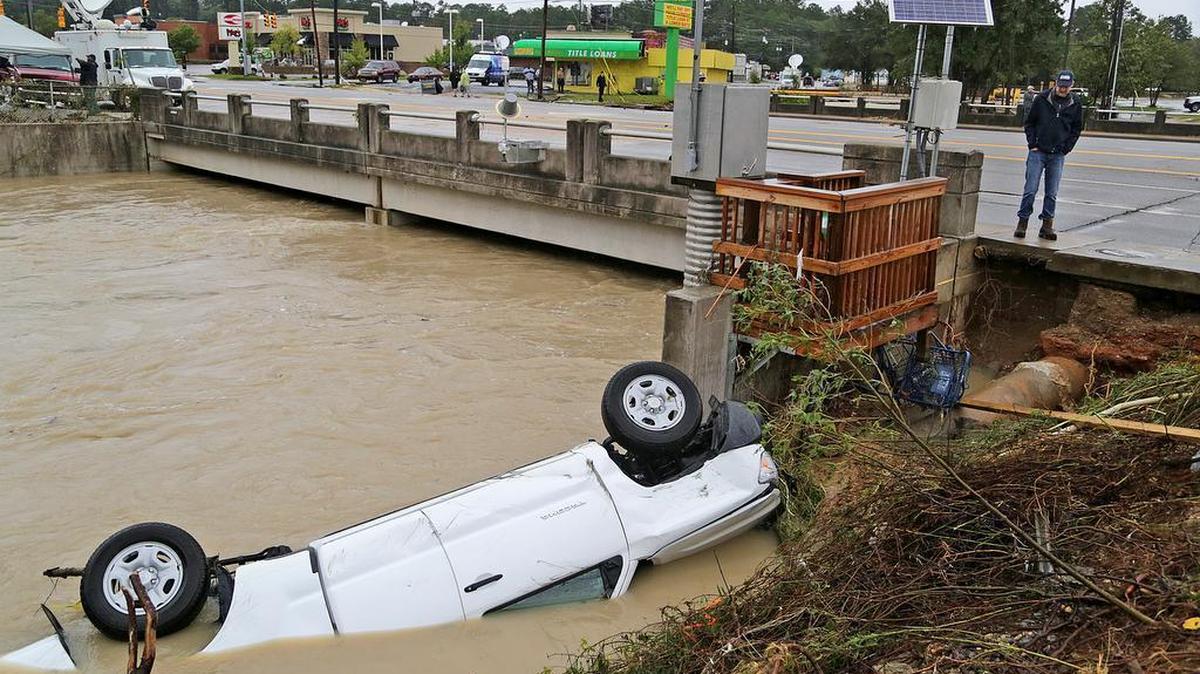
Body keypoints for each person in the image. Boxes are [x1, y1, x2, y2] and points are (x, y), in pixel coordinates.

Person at [1014, 70, 1084, 241]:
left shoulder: (1076, 103)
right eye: (1060, 86)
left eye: (1066, 87)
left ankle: (1047, 225)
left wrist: (1066, 148)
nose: (1062, 89)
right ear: (1056, 84)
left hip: (1057, 154)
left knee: (1051, 192)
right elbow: (1029, 123)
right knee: (1030, 189)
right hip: (1038, 152)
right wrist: (1033, 144)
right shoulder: (1042, 99)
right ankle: (1022, 222)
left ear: (1071, 86)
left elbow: (1076, 129)